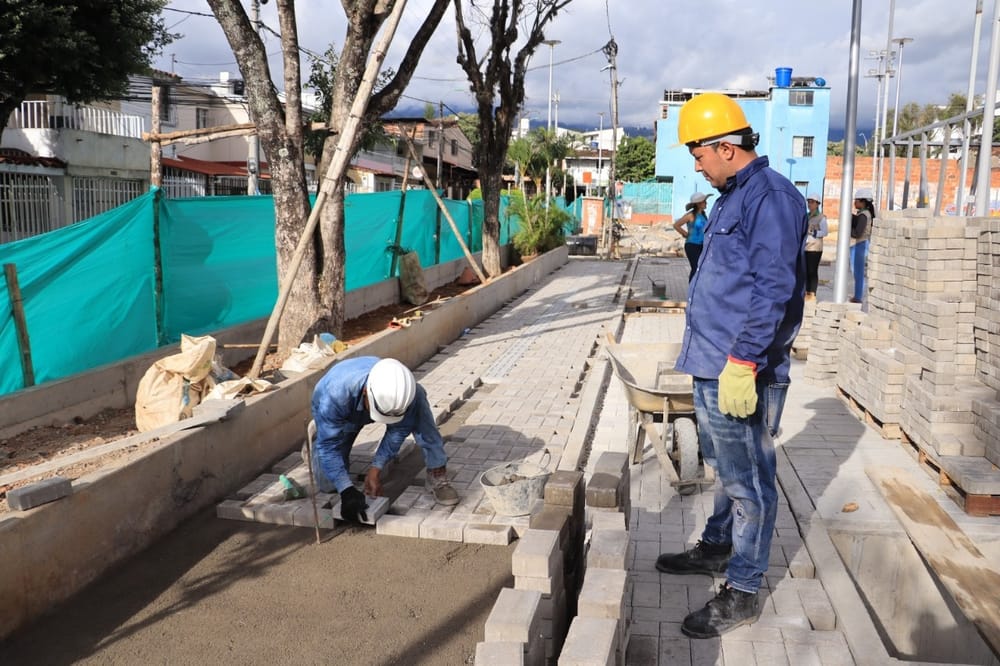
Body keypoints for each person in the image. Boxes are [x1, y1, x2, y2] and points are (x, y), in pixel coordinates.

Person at [655, 93, 807, 638]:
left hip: (741, 370)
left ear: (725, 147)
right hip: (712, 365)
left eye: (698, 154)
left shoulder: (771, 198)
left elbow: (774, 287)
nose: (694, 164)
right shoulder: (730, 196)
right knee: (728, 470)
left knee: (750, 483)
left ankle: (742, 589)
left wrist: (743, 362)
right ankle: (717, 548)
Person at [309, 356, 459, 523]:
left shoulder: (407, 395)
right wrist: (346, 490)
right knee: (328, 484)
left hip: (371, 401)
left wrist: (375, 469)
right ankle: (320, 432)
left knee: (419, 401)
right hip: (342, 410)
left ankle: (437, 470)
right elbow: (330, 448)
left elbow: (398, 431)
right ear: (366, 393)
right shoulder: (335, 396)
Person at [673, 191, 712, 279]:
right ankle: (692, 290)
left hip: (702, 246)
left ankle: (698, 290)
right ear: (698, 203)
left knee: (701, 269)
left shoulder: (704, 215)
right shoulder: (691, 215)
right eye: (704, 201)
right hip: (692, 246)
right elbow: (676, 225)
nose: (706, 203)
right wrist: (685, 234)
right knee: (696, 268)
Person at [850, 187, 875, 304]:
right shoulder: (863, 214)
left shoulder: (864, 215)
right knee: (857, 272)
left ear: (863, 201)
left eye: (857, 200)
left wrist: (848, 229)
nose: (855, 202)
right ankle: (858, 295)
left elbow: (857, 233)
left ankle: (858, 297)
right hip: (861, 244)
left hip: (861, 244)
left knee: (858, 272)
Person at [804, 192, 828, 300]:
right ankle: (806, 291)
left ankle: (812, 292)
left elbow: (825, 232)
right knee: (805, 271)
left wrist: (814, 233)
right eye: (808, 202)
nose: (810, 204)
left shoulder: (821, 217)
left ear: (817, 204)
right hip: (806, 247)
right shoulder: (806, 216)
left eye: (812, 202)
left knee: (812, 271)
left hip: (815, 248)